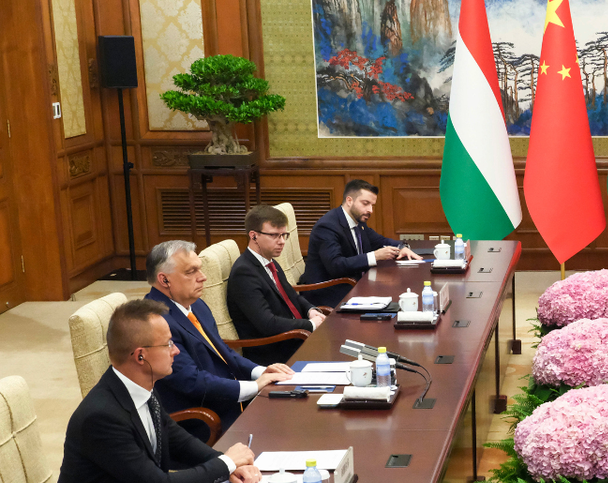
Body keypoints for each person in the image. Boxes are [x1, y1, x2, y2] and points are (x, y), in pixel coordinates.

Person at [34, 299, 262, 483]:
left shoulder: (140, 388)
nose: (176, 350)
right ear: (140, 356)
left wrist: (228, 465)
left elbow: (176, 439)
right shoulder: (101, 416)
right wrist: (226, 464)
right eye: (167, 344)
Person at [145, 240, 292, 436]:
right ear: (164, 280)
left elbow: (223, 352)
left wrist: (260, 371)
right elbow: (191, 381)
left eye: (200, 269)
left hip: (229, 403)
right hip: (200, 422)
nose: (203, 277)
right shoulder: (156, 321)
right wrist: (253, 387)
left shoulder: (196, 305)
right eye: (191, 272)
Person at [228, 205, 326, 365]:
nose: (281, 242)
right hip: (274, 353)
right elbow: (267, 324)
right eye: (274, 235)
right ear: (253, 236)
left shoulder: (270, 262)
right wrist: (309, 325)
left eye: (284, 235)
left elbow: (292, 296)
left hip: (295, 339)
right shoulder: (244, 273)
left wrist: (310, 310)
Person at [300, 179, 422, 306]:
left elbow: (380, 241)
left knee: (398, 293)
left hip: (355, 284)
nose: (370, 210)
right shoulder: (327, 226)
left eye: (372, 205)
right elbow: (336, 265)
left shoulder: (359, 223)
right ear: (349, 200)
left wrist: (402, 247)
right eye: (365, 203)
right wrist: (374, 256)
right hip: (329, 292)